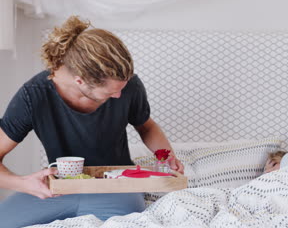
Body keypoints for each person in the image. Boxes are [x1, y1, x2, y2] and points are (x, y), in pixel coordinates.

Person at [0, 16, 184, 227]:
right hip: (61, 189)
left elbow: (146, 126)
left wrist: (166, 156)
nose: (119, 96)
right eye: (111, 92)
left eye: (122, 88)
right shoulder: (33, 95)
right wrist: (24, 184)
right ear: (80, 81)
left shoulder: (129, 86)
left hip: (116, 188)